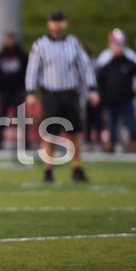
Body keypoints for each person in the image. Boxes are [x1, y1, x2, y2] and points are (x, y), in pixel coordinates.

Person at [25, 10, 100, 182]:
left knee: (74, 132)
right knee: (49, 133)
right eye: (54, 21)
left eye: (60, 21)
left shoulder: (73, 44)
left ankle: (77, 167)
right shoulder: (41, 45)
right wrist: (30, 91)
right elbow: (33, 69)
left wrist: (92, 88)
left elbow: (85, 66)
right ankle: (48, 170)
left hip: (70, 93)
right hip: (51, 94)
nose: (57, 25)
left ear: (65, 24)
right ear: (49, 24)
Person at [97, 34, 136, 153]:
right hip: (111, 100)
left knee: (131, 122)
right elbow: (99, 80)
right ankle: (111, 144)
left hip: (126, 99)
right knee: (112, 124)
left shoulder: (129, 62)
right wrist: (103, 96)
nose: (118, 48)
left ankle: (135, 143)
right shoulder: (107, 63)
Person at [0, 31, 29, 150]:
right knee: (2, 117)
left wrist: (23, 87)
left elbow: (27, 72)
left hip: (18, 91)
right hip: (4, 92)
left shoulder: (22, 56)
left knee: (21, 117)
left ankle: (25, 142)